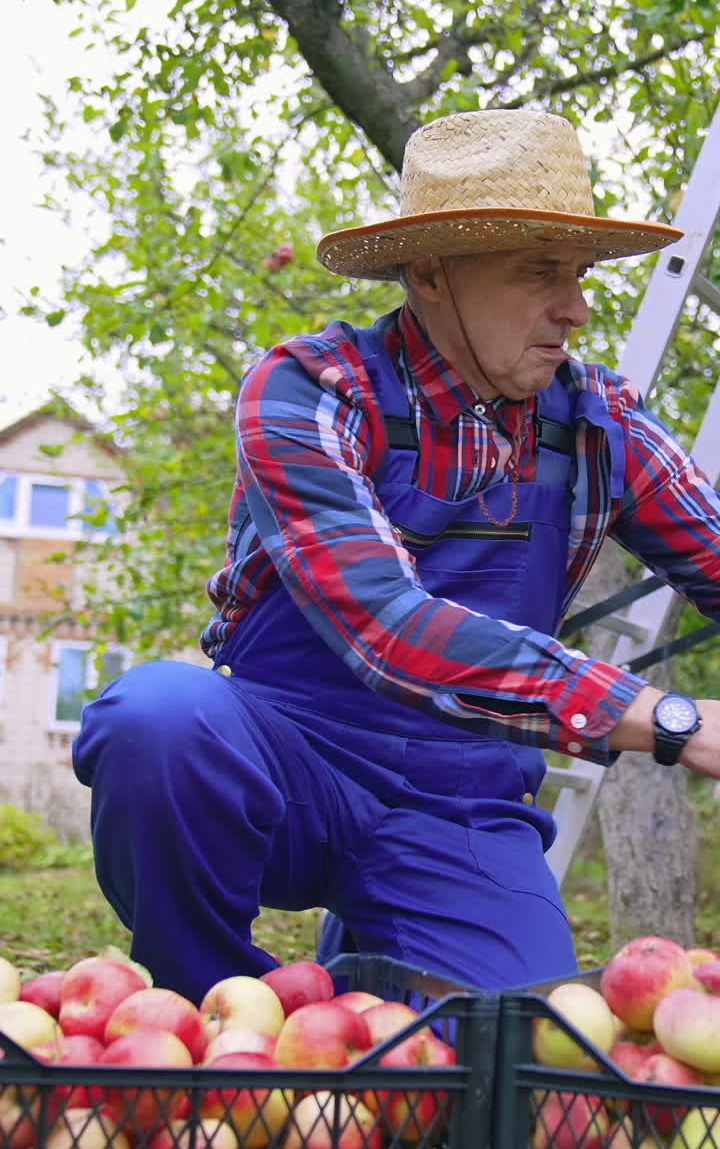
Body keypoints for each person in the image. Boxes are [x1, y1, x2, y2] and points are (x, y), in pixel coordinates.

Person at [73, 108, 720, 1006]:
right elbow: (386, 624)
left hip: (461, 805)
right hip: (293, 762)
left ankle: (375, 987)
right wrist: (670, 718)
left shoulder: (602, 427)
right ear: (428, 272)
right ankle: (205, 1016)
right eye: (541, 273)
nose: (575, 308)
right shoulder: (313, 390)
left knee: (510, 1064)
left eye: (577, 275)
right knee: (156, 719)